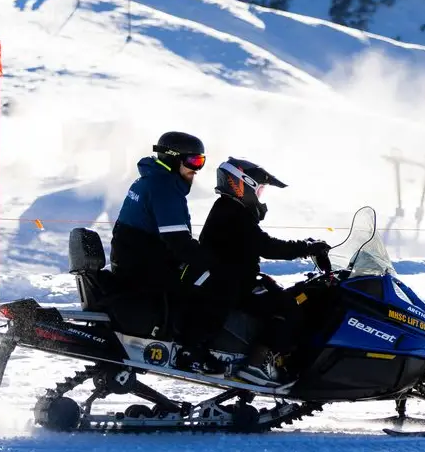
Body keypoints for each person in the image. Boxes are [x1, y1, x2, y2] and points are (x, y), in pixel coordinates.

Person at [198, 157, 330, 385]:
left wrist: (305, 246)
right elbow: (266, 246)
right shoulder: (232, 212)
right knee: (290, 308)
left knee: (286, 295)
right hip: (232, 282)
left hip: (232, 279)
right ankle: (257, 363)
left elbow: (258, 243)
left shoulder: (229, 208)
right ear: (242, 184)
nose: (259, 196)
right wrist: (306, 248)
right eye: (258, 189)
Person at [110, 131, 224, 370]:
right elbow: (178, 241)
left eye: (201, 161)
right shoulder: (165, 186)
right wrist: (213, 263)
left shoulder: (150, 178)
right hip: (145, 267)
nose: (197, 169)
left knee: (199, 275)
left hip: (137, 261)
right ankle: (191, 350)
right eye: (193, 161)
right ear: (173, 158)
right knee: (216, 284)